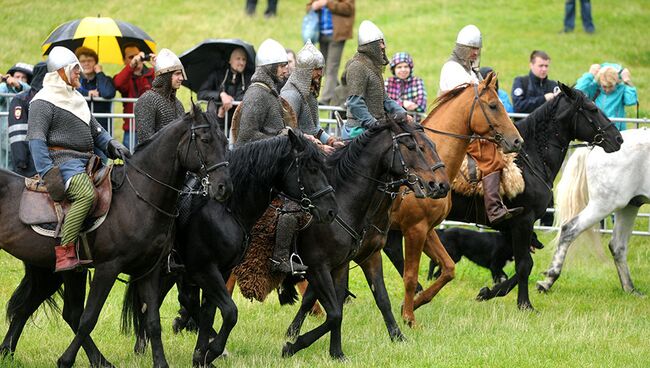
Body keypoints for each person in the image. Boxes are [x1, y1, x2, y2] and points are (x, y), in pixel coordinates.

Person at [27, 46, 130, 272]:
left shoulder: (77, 99)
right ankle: (65, 252)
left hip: (88, 161)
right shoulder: (42, 101)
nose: (79, 74)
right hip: (61, 162)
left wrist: (113, 144)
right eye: (75, 70)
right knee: (85, 194)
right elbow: (36, 141)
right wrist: (49, 173)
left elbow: (97, 131)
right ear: (62, 72)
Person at [439, 25, 522, 224]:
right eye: (471, 47)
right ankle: (493, 209)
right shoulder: (452, 68)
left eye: (477, 48)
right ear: (461, 47)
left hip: (470, 128)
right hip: (454, 130)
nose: (475, 52)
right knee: (490, 155)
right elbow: (467, 102)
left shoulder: (471, 71)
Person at [343, 20, 410, 139]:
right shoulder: (357, 66)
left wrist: (402, 113)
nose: (383, 46)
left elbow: (384, 99)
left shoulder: (373, 67)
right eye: (379, 43)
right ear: (370, 46)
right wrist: (373, 124)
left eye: (383, 42)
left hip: (376, 128)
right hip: (358, 130)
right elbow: (355, 102)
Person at [281, 40, 344, 155]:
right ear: (305, 71)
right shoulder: (290, 94)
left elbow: (314, 128)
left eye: (321, 69)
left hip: (308, 151)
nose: (320, 73)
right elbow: (289, 132)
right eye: (317, 69)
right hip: (294, 155)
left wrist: (331, 141)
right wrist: (318, 147)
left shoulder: (309, 93)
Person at [235, 38, 291, 145]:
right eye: (282, 66)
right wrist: (280, 140)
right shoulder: (256, 94)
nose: (285, 70)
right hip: (256, 160)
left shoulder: (269, 92)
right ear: (270, 67)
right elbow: (247, 135)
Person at [134, 49, 186, 144]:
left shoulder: (178, 105)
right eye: (177, 74)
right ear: (165, 75)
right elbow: (146, 143)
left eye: (181, 74)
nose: (181, 78)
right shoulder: (147, 101)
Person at [308, 0, 355, 105]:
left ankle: (326, 98)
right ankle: (336, 88)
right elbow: (308, 7)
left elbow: (348, 9)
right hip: (320, 34)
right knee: (323, 67)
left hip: (337, 35)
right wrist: (313, 6)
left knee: (332, 66)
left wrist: (327, 3)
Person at [197, 47, 252, 132]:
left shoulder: (249, 77)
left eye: (244, 59)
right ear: (230, 60)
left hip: (240, 126)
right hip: (217, 122)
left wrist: (232, 101)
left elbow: (251, 95)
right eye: (238, 59)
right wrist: (221, 95)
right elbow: (201, 94)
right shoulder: (217, 74)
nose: (241, 63)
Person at [8, 62, 47, 177]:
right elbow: (18, 132)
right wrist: (21, 161)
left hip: (46, 162)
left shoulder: (51, 98)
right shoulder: (22, 99)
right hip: (28, 164)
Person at [113, 43, 155, 149]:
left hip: (153, 127)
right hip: (132, 129)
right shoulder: (124, 76)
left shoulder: (152, 73)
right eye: (131, 57)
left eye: (137, 55)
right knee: (130, 161)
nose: (136, 59)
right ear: (124, 60)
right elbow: (118, 84)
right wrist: (131, 66)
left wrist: (158, 66)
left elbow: (164, 84)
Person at [576, 63, 637, 131]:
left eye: (611, 86)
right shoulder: (595, 87)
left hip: (616, 130)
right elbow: (578, 90)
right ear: (600, 82)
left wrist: (627, 80)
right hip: (597, 128)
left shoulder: (621, 89)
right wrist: (590, 74)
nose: (607, 90)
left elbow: (631, 101)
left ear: (616, 82)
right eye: (604, 86)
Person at [74, 46, 116, 131]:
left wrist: (99, 73)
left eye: (90, 61)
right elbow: (71, 92)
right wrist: (87, 94)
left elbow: (108, 93)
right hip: (81, 127)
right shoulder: (75, 80)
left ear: (96, 63)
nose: (86, 64)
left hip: (102, 128)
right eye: (83, 61)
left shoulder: (105, 79)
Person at [1, 63, 33, 169]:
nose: (20, 79)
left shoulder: (29, 91)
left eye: (24, 78)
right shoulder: (4, 88)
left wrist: (19, 85)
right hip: (3, 138)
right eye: (17, 77)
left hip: (21, 140)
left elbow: (30, 90)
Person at [385, 52, 427, 120]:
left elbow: (422, 106)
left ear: (410, 68)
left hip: (413, 122)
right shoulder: (388, 82)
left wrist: (395, 106)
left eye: (406, 66)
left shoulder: (417, 81)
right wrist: (403, 104)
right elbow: (384, 104)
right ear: (394, 69)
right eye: (399, 67)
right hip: (393, 122)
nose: (403, 70)